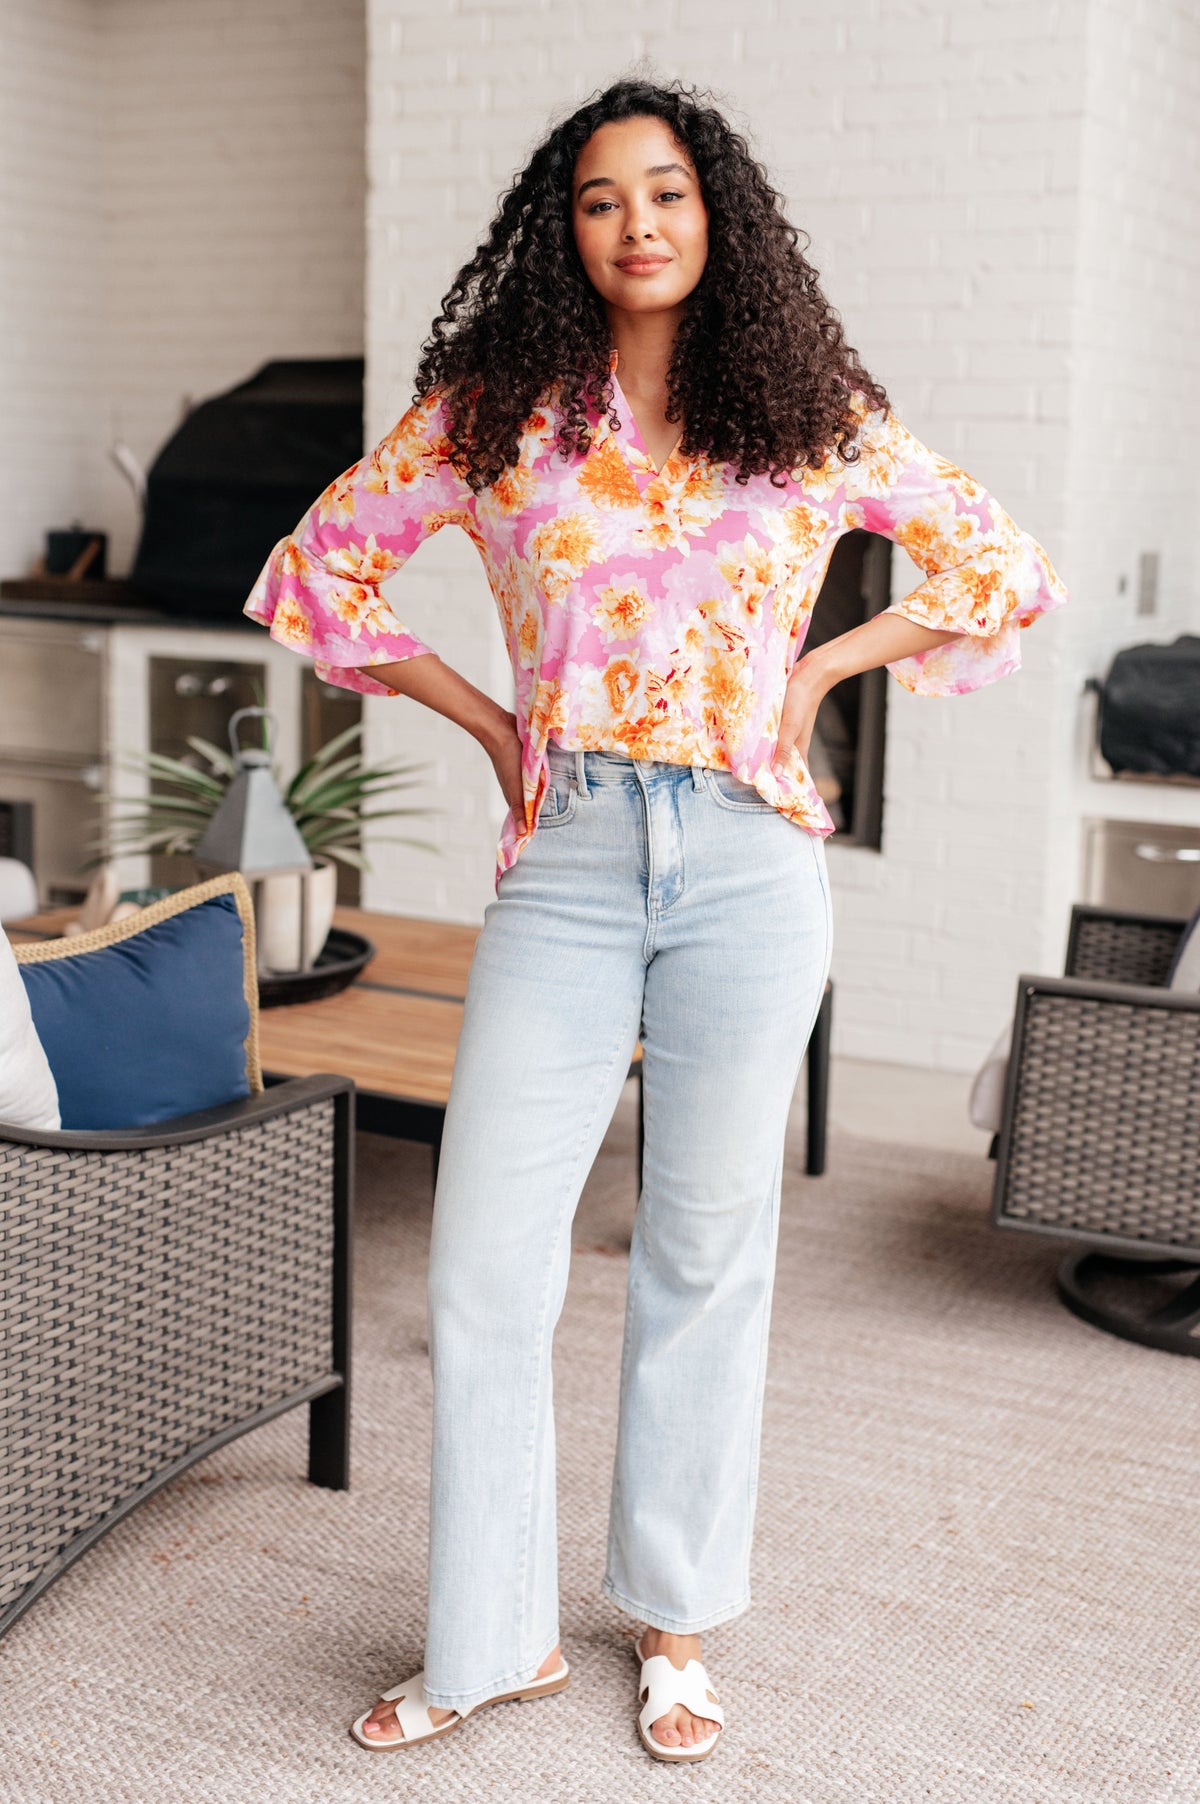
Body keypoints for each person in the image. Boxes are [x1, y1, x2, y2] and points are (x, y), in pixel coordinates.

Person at [243, 76, 1066, 1764]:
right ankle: (490, 1641)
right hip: (568, 858)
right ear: (569, 230)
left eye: (670, 191)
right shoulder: (498, 418)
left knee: (705, 1252)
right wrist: (486, 720)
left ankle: (675, 1622)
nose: (640, 222)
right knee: (483, 1263)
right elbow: (320, 572)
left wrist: (825, 667)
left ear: (719, 215)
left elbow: (991, 562)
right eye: (606, 198)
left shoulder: (807, 407)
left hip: (752, 866)